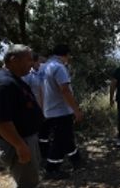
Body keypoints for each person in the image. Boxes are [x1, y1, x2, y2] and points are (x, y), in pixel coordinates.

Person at [0, 44, 44, 188]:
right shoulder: (3, 84)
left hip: (25, 140)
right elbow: (1, 121)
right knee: (27, 184)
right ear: (13, 59)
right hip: (19, 142)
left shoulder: (13, 79)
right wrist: (20, 146)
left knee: (27, 180)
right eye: (28, 60)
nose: (32, 63)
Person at [41, 44, 83, 179]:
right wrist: (76, 110)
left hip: (50, 109)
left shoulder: (46, 66)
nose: (69, 59)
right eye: (69, 56)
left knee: (66, 136)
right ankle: (52, 168)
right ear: (65, 55)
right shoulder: (59, 67)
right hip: (60, 111)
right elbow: (65, 90)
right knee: (59, 140)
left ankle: (76, 160)